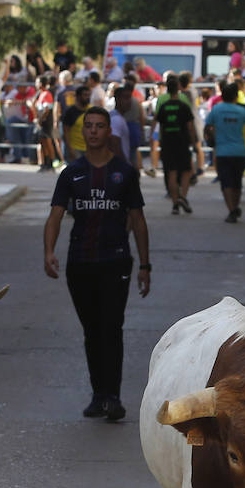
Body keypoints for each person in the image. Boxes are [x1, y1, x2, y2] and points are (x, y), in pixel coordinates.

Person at [42, 107, 151, 424]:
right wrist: (49, 251)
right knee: (92, 330)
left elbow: (138, 219)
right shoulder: (71, 173)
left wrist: (145, 265)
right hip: (81, 263)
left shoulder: (125, 173)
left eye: (99, 126)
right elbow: (56, 215)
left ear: (109, 132)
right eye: (88, 126)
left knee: (111, 327)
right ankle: (98, 394)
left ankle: (113, 396)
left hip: (115, 261)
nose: (93, 132)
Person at [206, 80, 245, 222]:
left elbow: (207, 126)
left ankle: (232, 209)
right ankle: (235, 206)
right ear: (235, 96)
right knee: (237, 181)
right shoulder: (241, 111)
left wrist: (211, 138)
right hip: (239, 150)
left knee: (226, 182)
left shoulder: (216, 109)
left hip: (222, 151)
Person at [155, 73, 199, 215]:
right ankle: (183, 197)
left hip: (167, 142)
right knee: (186, 171)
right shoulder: (183, 102)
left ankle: (174, 204)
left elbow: (158, 124)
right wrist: (194, 143)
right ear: (178, 88)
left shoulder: (162, 102)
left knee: (171, 173)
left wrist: (157, 141)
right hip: (182, 141)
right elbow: (190, 126)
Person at [59, 82, 91, 165]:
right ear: (78, 96)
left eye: (88, 95)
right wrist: (70, 149)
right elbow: (66, 132)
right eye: (85, 95)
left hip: (88, 148)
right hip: (75, 149)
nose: (88, 97)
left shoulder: (92, 110)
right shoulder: (70, 112)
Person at [32, 75, 57, 171]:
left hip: (46, 122)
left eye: (37, 82)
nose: (36, 84)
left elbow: (47, 109)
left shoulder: (47, 94)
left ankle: (51, 162)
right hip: (42, 122)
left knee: (48, 141)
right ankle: (45, 163)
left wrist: (40, 119)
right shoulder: (40, 94)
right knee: (43, 142)